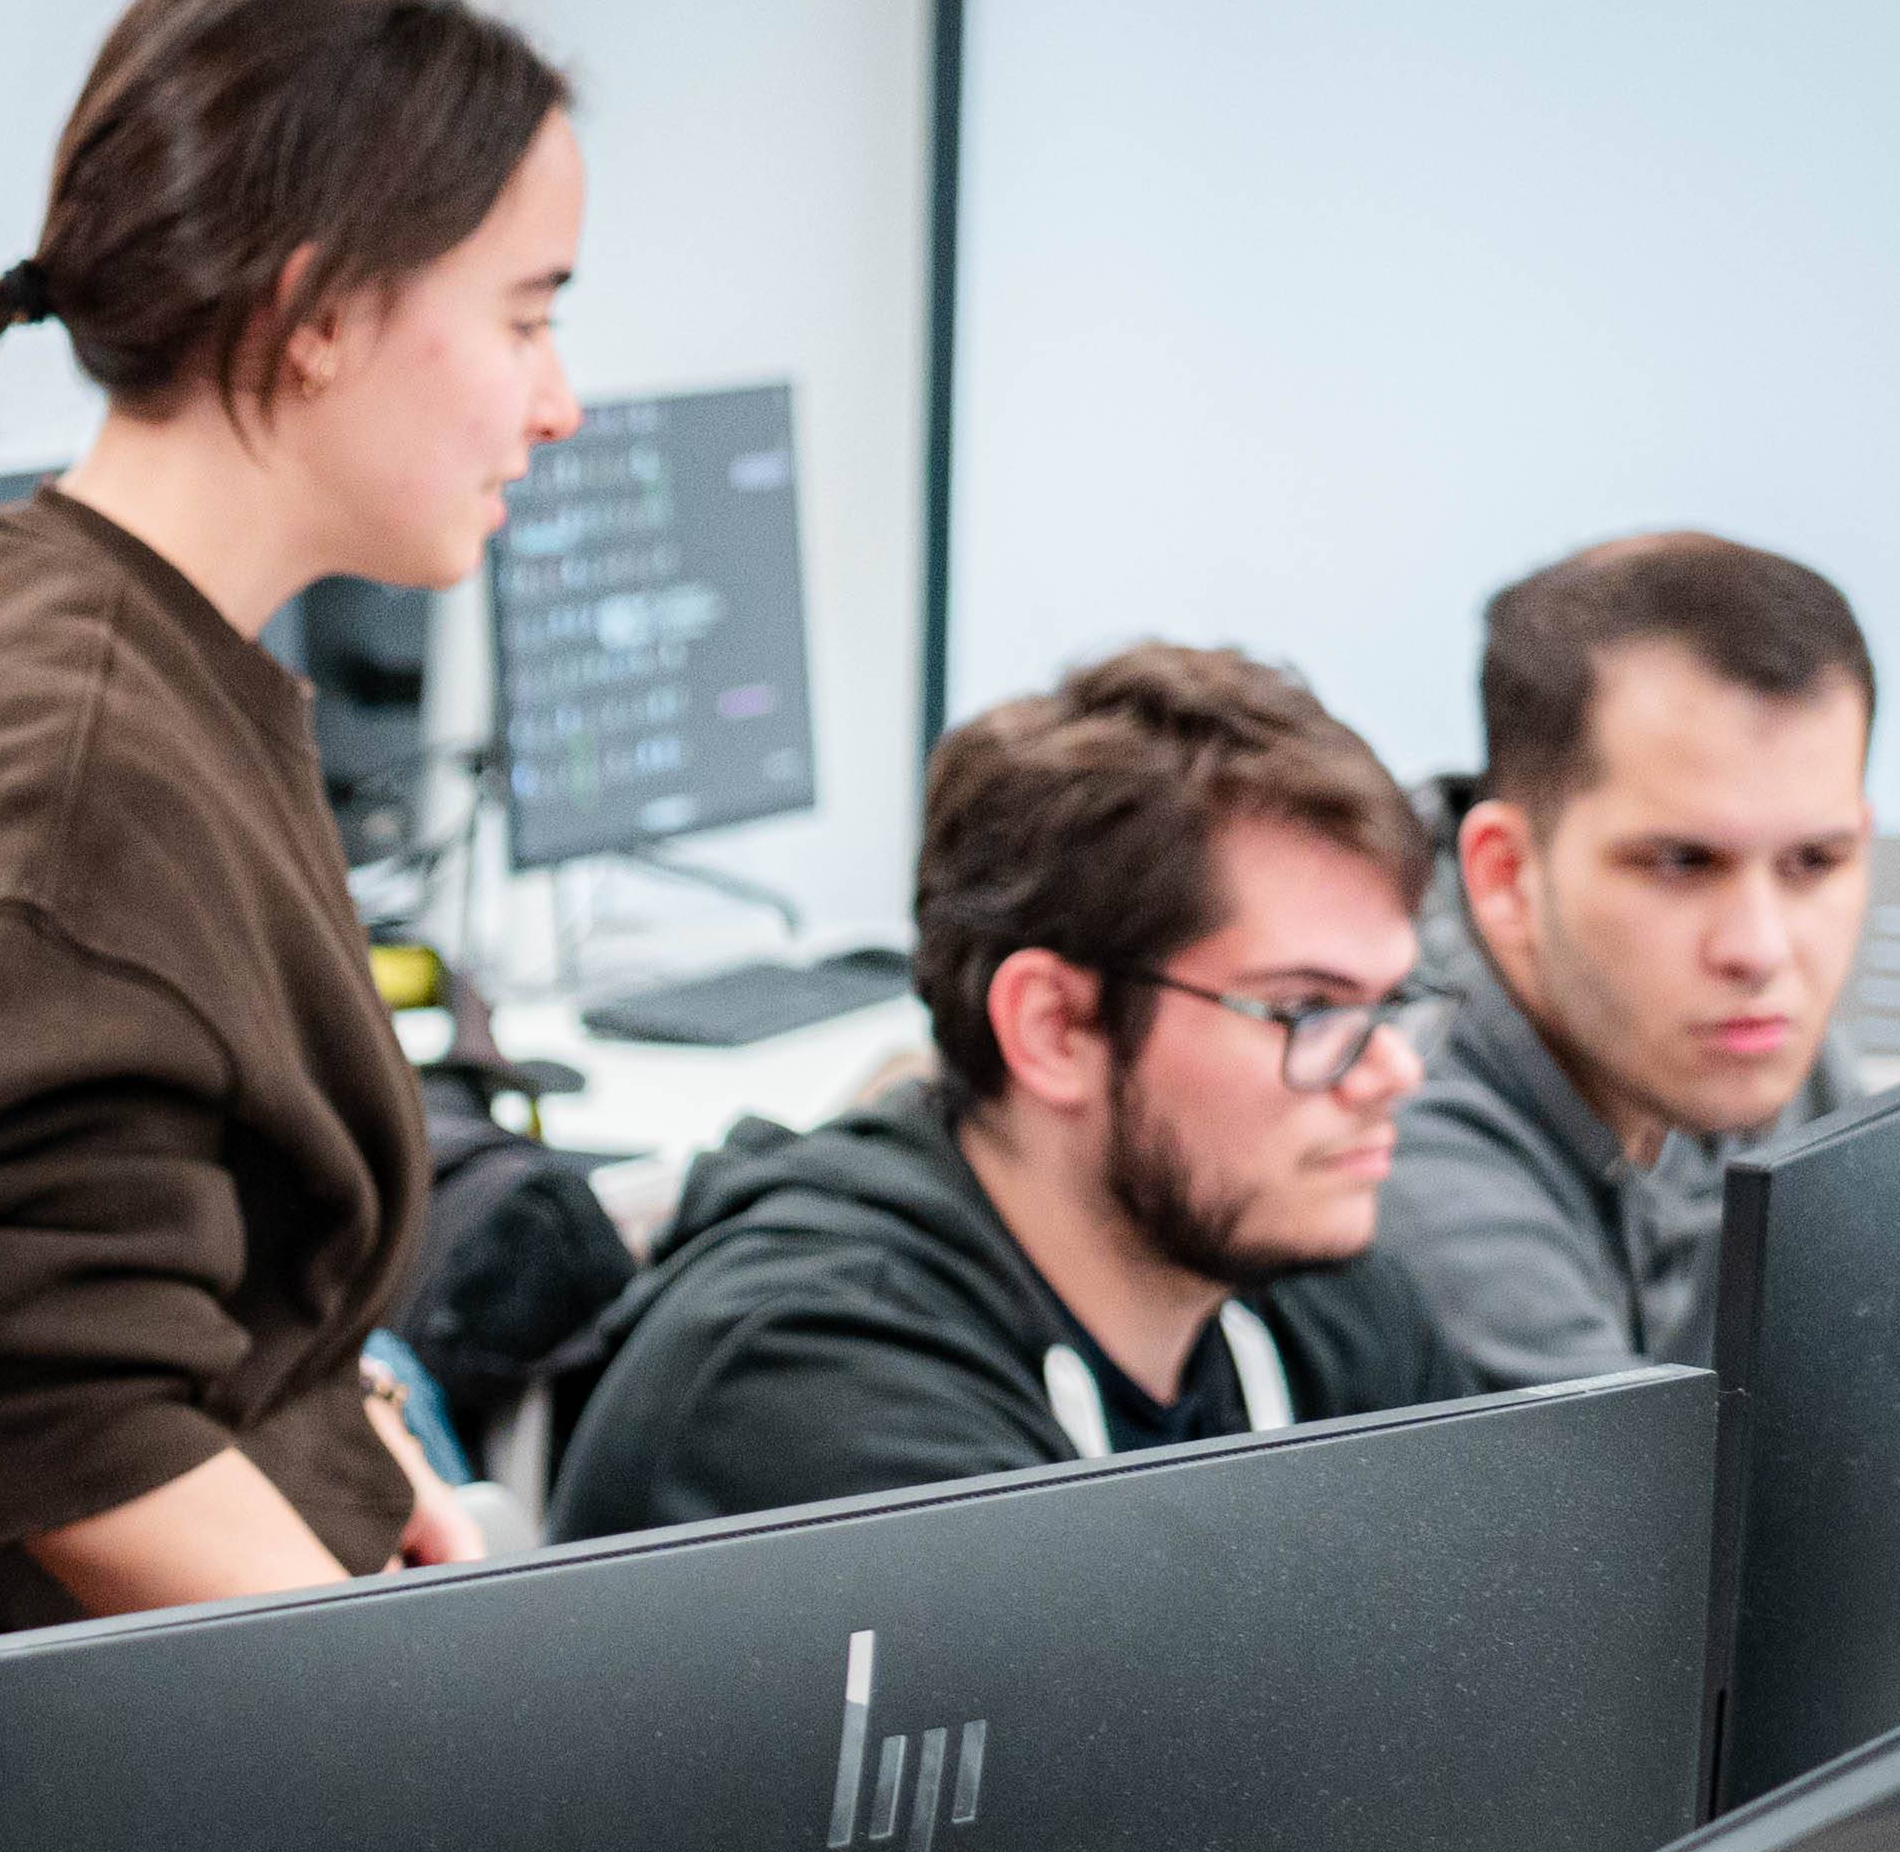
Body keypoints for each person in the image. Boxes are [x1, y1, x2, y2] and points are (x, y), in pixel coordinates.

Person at [0, 0, 571, 1623]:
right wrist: (412, 1714)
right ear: (314, 321)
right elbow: (58, 1406)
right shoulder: (72, 770)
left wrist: (357, 1446)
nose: (559, 403)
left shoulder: (142, 651)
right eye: (525, 318)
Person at [546, 643, 1470, 1535]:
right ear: (1054, 1027)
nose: (1394, 1069)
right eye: (1305, 1008)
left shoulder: (1323, 1297)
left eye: (1393, 1003)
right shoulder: (811, 1399)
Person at [1388, 530, 1900, 1386]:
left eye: (1813, 862)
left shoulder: (1729, 1025)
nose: (1759, 949)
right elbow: (1659, 1508)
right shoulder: (1388, 1116)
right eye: (1680, 863)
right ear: (1506, 875)